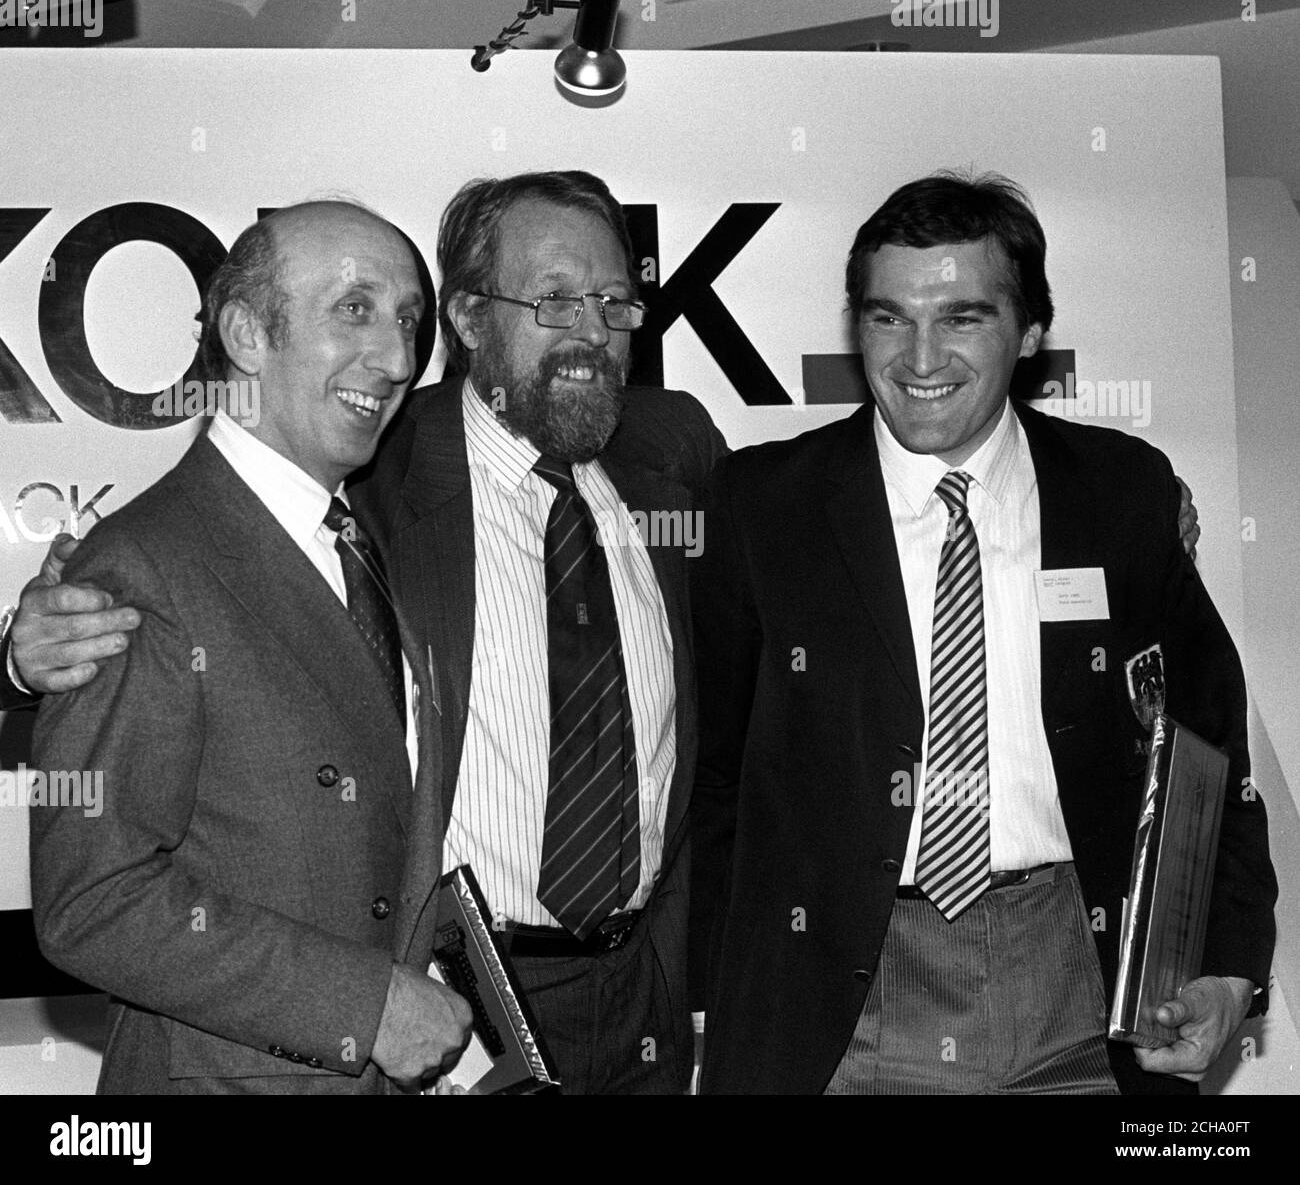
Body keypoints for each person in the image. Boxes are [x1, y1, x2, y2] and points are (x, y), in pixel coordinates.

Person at [5, 172, 727, 1095]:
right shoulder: (381, 475)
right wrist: (23, 659)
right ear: (471, 320)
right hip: (430, 1007)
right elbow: (94, 889)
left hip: (635, 1012)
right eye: (551, 299)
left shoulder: (672, 454)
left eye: (613, 300)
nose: (391, 357)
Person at [689, 172, 1276, 1095]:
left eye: (961, 318)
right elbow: (708, 777)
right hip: (843, 995)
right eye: (887, 318)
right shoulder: (763, 505)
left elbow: (1208, 747)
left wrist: (1232, 966)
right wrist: (724, 985)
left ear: (1030, 331)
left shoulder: (1123, 492)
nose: (919, 355)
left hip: (1089, 987)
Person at [24, 200, 473, 1094]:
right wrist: (366, 1006)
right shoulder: (141, 566)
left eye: (409, 323)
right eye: (355, 309)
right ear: (244, 332)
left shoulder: (358, 537)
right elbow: (91, 900)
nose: (393, 360)